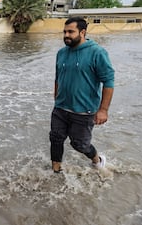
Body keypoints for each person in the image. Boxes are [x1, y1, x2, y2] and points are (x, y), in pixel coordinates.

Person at [49, 17, 114, 173]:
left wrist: (103, 110)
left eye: (71, 32)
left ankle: (97, 159)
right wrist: (56, 97)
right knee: (55, 139)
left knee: (80, 145)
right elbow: (58, 77)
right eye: (64, 31)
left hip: (84, 111)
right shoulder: (61, 53)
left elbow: (109, 81)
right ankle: (56, 171)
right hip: (61, 108)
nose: (66, 35)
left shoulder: (97, 52)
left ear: (83, 32)